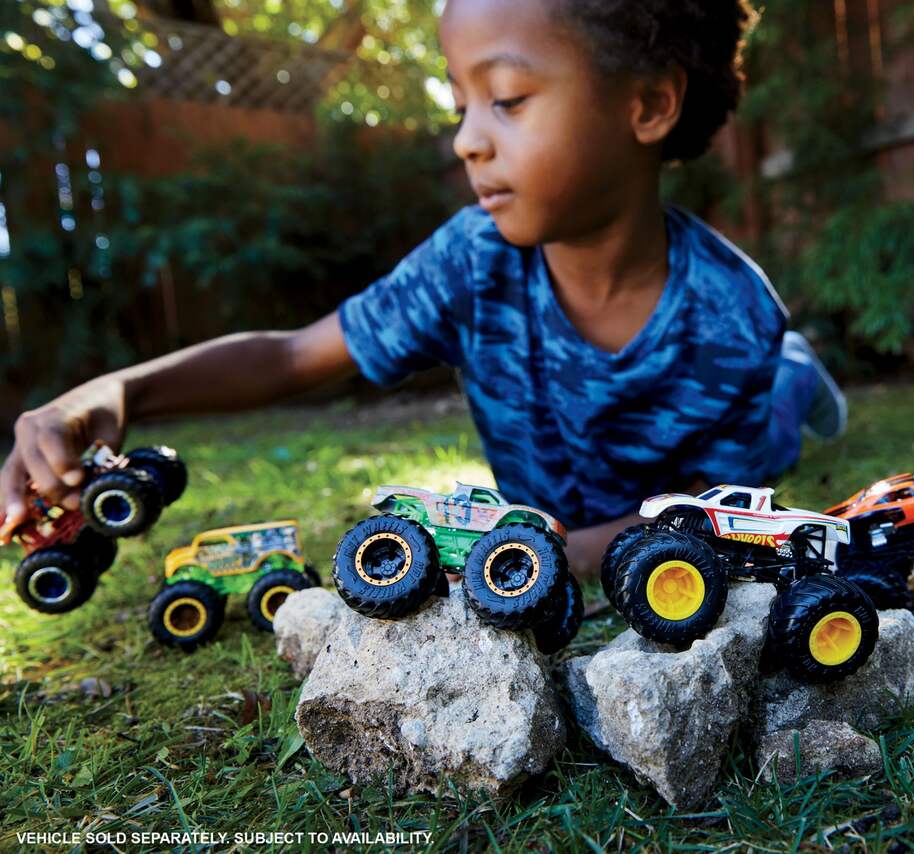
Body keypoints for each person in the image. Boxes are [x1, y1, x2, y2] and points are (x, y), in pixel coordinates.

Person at [0, 0, 846, 578]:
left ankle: (799, 375)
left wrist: (556, 548)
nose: (468, 142)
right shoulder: (472, 263)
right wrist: (119, 391)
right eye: (461, 105)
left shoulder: (733, 315)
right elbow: (297, 354)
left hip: (722, 450)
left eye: (507, 100)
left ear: (651, 103)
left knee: (778, 435)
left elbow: (720, 522)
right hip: (557, 514)